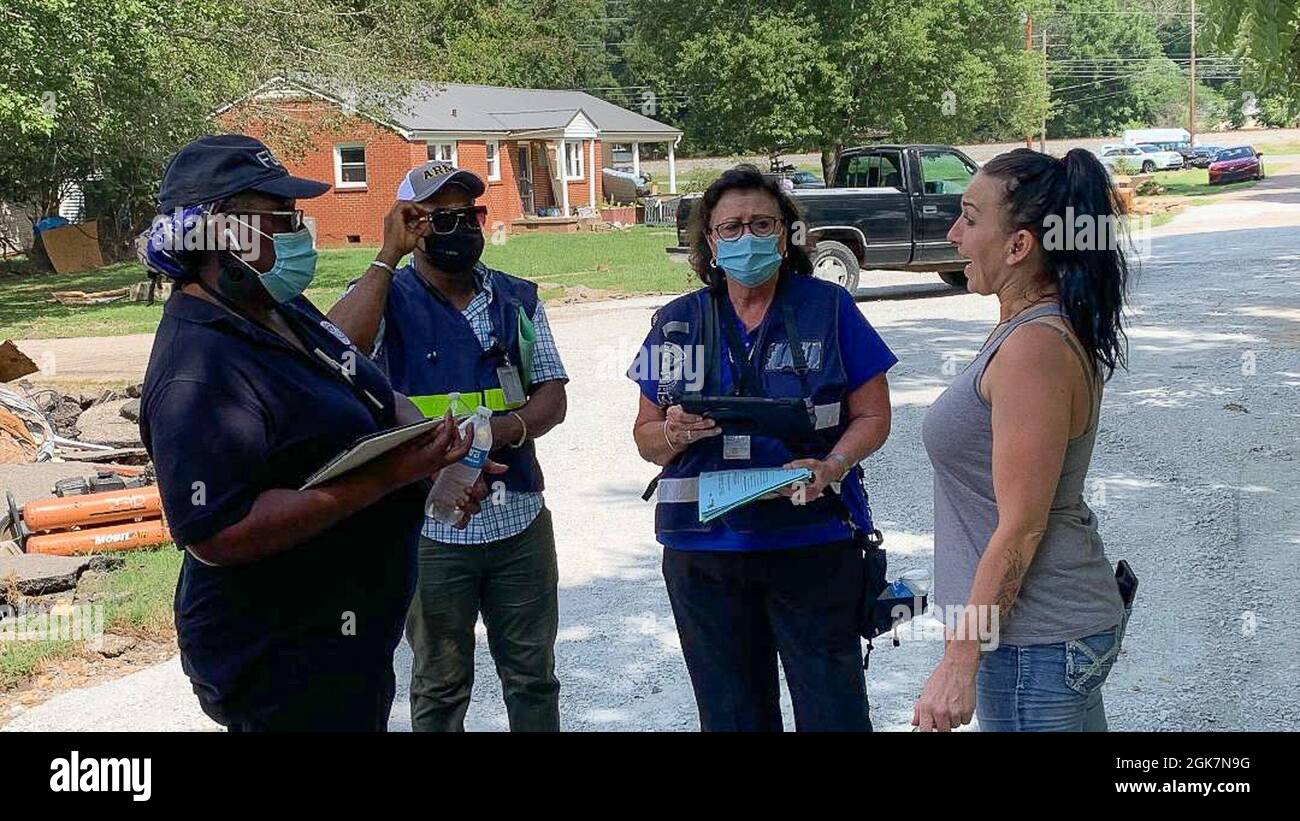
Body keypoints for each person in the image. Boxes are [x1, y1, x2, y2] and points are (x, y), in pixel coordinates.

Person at [137, 135, 493, 732]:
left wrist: (433, 460)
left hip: (347, 637)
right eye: (280, 219)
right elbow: (218, 534)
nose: (298, 233)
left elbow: (369, 388)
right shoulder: (197, 368)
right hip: (281, 655)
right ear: (220, 233)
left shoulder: (282, 310)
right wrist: (387, 478)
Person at [627, 164, 896, 731]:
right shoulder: (676, 323)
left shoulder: (828, 308)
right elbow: (645, 437)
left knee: (833, 711)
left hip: (812, 540)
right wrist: (671, 434)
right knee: (731, 717)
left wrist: (833, 463)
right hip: (704, 552)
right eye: (731, 228)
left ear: (786, 233)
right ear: (709, 240)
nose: (746, 237)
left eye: (762, 224)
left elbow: (873, 415)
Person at [328, 161, 568, 732]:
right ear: (410, 223)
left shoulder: (516, 300)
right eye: (442, 218)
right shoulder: (382, 296)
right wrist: (386, 257)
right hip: (429, 530)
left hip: (519, 520)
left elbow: (552, 396)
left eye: (470, 215)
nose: (461, 228)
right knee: (439, 684)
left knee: (534, 678)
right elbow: (335, 356)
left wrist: (510, 428)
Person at [914, 148, 1133, 732]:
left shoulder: (1034, 347)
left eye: (969, 216)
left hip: (1035, 642)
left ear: (1018, 246)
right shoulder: (1028, 330)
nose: (955, 234)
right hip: (1035, 639)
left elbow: (1022, 524)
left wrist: (960, 660)